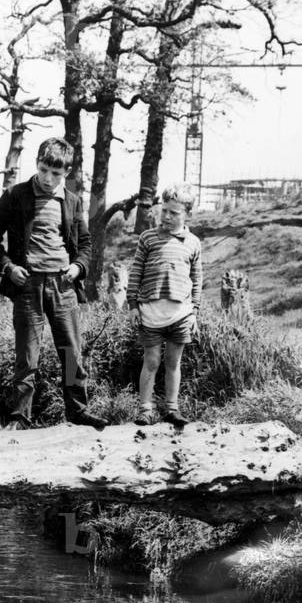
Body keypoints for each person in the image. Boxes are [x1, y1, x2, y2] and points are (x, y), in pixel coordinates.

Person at [0, 137, 108, 432]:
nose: (49, 179)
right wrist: (8, 268)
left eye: (56, 174)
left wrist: (79, 267)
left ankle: (78, 412)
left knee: (72, 353)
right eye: (43, 170)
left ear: (67, 171)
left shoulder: (73, 201)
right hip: (27, 286)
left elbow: (86, 243)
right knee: (27, 355)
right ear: (37, 163)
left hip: (63, 286)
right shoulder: (16, 195)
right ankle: (19, 417)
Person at [126, 183, 203, 429]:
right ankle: (145, 409)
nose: (168, 217)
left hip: (180, 314)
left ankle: (171, 408)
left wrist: (195, 312)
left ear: (187, 214)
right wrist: (133, 304)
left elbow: (197, 279)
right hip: (151, 312)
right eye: (165, 211)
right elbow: (136, 271)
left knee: (173, 362)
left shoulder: (192, 242)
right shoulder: (148, 238)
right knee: (151, 361)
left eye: (175, 213)